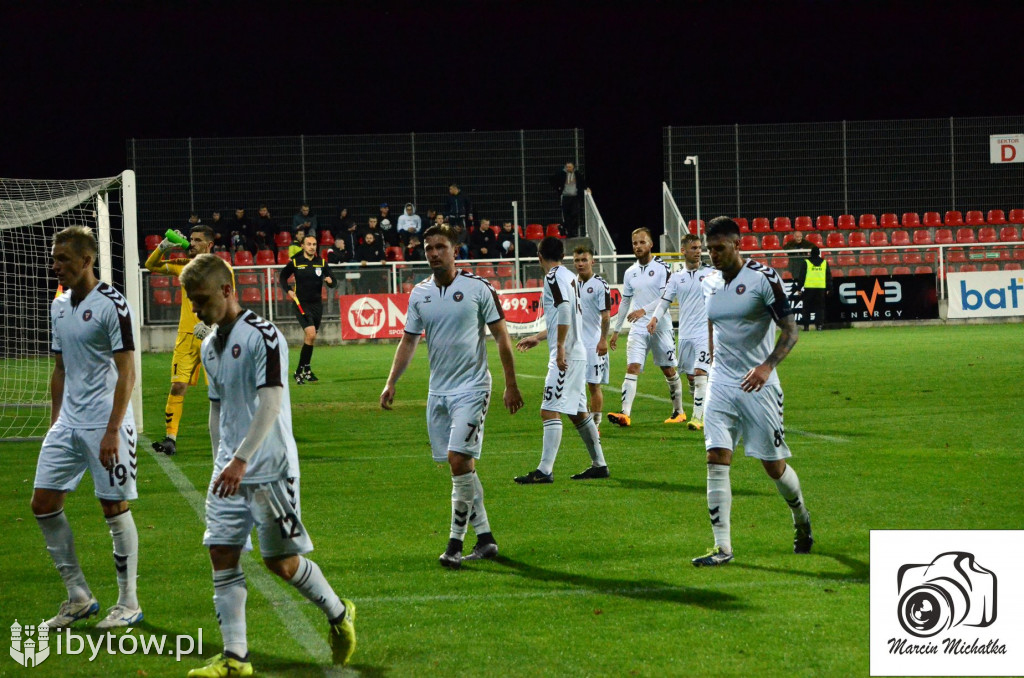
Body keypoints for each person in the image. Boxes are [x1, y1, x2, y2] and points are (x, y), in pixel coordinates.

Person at [178, 255, 355, 676]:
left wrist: (240, 459)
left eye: (202, 300)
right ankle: (236, 658)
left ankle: (337, 613)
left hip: (270, 468)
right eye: (191, 302)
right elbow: (217, 410)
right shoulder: (209, 345)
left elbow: (271, 403)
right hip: (230, 471)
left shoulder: (264, 335)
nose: (197, 310)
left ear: (226, 290)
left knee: (281, 564)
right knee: (221, 551)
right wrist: (220, 458)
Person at [380, 225, 523, 568]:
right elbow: (409, 340)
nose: (433, 253)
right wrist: (391, 382)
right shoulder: (419, 294)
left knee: (459, 460)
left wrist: (511, 384)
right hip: (438, 392)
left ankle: (455, 545)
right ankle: (485, 538)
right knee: (460, 468)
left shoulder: (477, 288)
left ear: (455, 250)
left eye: (440, 247)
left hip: (472, 388)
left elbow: (502, 337)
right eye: (428, 248)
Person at [33, 225, 142, 629]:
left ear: (86, 260)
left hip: (105, 423)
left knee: (112, 508)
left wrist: (114, 429)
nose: (55, 265)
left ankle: (128, 602)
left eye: (63, 258)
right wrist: (54, 422)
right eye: (54, 258)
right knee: (43, 505)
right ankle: (78, 596)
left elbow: (127, 371)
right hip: (68, 425)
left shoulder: (113, 304)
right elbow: (59, 368)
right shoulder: (59, 305)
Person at [691, 216, 811, 567]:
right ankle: (722, 548)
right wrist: (713, 357)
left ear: (738, 245)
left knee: (773, 467)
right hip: (722, 383)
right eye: (709, 249)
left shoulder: (763, 278)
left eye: (720, 248)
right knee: (716, 458)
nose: (713, 255)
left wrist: (766, 366)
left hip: (759, 385)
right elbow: (715, 320)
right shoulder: (709, 282)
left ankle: (801, 517)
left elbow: (790, 331)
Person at [514, 237, 608, 483]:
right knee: (578, 412)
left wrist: (558, 347)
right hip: (577, 352)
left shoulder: (553, 277)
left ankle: (544, 471)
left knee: (549, 410)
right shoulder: (569, 277)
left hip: (566, 355)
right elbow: (566, 316)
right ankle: (599, 464)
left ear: (539, 256)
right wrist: (539, 337)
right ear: (564, 256)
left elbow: (565, 310)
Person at [145, 225, 224, 456]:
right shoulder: (183, 265)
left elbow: (228, 300)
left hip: (212, 336)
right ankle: (170, 438)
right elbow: (150, 266)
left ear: (209, 245)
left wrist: (210, 324)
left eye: (197, 240)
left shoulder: (219, 269)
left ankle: (225, 439)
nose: (191, 243)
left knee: (218, 393)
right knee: (177, 386)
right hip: (186, 337)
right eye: (190, 239)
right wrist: (162, 248)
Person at [607, 227, 685, 426]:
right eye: (635, 243)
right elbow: (625, 302)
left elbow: (665, 297)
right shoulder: (630, 272)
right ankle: (625, 413)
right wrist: (616, 330)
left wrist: (643, 310)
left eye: (642, 242)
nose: (638, 246)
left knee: (668, 369)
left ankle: (679, 411)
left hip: (660, 325)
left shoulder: (661, 268)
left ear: (651, 244)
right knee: (632, 367)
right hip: (639, 327)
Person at [647, 234, 715, 430]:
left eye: (699, 248)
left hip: (705, 332)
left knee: (701, 372)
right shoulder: (676, 278)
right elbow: (665, 301)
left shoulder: (711, 273)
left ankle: (697, 418)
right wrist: (654, 318)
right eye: (693, 248)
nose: (697, 251)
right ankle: (704, 409)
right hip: (685, 334)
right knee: (692, 377)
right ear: (683, 251)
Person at [279, 235, 335, 384]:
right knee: (311, 334)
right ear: (303, 246)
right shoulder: (296, 262)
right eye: (309, 244)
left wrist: (330, 281)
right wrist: (289, 290)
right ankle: (298, 371)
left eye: (314, 244)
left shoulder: (321, 263)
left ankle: (307, 370)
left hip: (317, 305)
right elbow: (282, 277)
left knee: (310, 338)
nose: (312, 247)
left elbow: (333, 281)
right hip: (301, 303)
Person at [573, 245, 611, 429]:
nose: (580, 264)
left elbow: (606, 316)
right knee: (577, 386)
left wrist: (603, 339)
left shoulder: (600, 285)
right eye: (577, 260)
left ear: (592, 261)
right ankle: (586, 422)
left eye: (584, 260)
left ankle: (595, 425)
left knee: (593, 385)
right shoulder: (572, 284)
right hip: (576, 344)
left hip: (594, 344)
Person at [792, 244, 831, 331]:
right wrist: (829, 288)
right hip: (821, 288)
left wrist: (799, 288)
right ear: (819, 253)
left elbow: (802, 276)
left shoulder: (806, 262)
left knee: (806, 307)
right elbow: (828, 276)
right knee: (820, 308)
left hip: (809, 288)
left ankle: (806, 326)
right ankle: (819, 326)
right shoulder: (824, 263)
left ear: (811, 253)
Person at [550, 162, 590, 238]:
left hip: (575, 197)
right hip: (565, 197)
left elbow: (582, 182)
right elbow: (552, 179)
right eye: (567, 167)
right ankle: (569, 233)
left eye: (570, 167)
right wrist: (557, 188)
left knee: (575, 214)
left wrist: (587, 188)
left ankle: (563, 226)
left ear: (573, 167)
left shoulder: (577, 174)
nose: (569, 168)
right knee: (566, 215)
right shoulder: (562, 173)